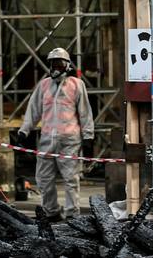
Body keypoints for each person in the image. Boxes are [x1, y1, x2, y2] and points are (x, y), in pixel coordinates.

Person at [16, 47, 94, 220]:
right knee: (43, 178)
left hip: (69, 141)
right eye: (52, 63)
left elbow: (85, 113)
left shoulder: (76, 85)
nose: (55, 67)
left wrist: (88, 137)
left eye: (58, 63)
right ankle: (51, 211)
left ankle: (72, 214)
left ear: (67, 65)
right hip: (47, 140)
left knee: (71, 180)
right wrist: (24, 131)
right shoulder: (44, 86)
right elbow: (33, 110)